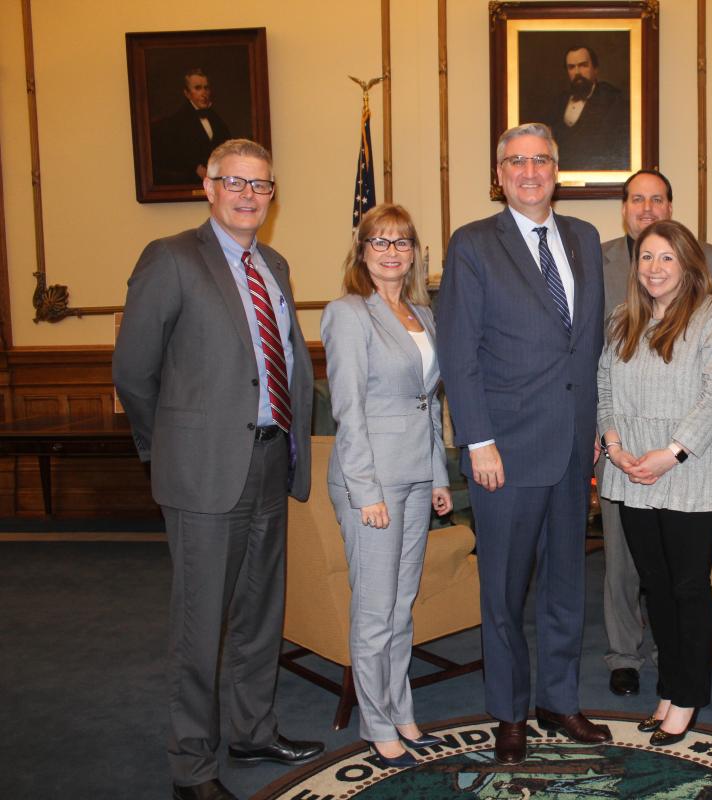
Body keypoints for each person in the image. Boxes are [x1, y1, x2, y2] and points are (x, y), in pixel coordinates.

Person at [113, 138, 321, 800]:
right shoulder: (172, 259)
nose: (248, 195)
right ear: (207, 186)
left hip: (269, 459)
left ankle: (254, 730)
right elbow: (133, 372)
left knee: (262, 614)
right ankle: (192, 766)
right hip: (203, 473)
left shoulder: (276, 264)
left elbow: (284, 360)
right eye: (234, 182)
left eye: (260, 186)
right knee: (200, 624)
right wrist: (169, 448)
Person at [436, 122, 610, 765]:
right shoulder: (474, 244)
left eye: (540, 160)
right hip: (503, 450)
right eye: (516, 162)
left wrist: (594, 428)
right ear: (499, 173)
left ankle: (558, 701)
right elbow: (460, 350)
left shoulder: (586, 239)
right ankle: (508, 712)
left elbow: (588, 344)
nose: (529, 171)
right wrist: (476, 439)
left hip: (571, 447)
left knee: (568, 583)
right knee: (505, 590)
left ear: (556, 170)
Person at [597, 219, 712, 747]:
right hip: (632, 470)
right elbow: (604, 389)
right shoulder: (623, 319)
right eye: (646, 258)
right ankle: (668, 686)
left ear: (688, 265)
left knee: (687, 585)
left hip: (691, 470)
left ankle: (689, 695)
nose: (654, 268)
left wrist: (670, 453)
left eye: (666, 258)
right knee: (653, 586)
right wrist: (614, 447)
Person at [320, 204, 453, 768]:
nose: (392, 251)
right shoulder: (348, 313)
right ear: (362, 249)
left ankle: (400, 709)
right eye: (381, 241)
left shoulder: (423, 314)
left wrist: (439, 474)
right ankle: (377, 724)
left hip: (416, 473)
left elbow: (429, 403)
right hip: (369, 479)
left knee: (401, 605)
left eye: (402, 242)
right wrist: (366, 490)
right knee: (374, 610)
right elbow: (347, 411)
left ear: (415, 252)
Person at [547, 45, 630, 171]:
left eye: (583, 65)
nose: (577, 72)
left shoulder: (613, 100)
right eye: (571, 67)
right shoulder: (559, 101)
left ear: (595, 69)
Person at [152, 68, 233, 185]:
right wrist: (195, 167)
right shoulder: (176, 121)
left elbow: (227, 147)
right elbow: (172, 156)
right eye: (198, 88)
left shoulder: (216, 119)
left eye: (206, 88)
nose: (204, 93)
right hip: (189, 183)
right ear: (187, 93)